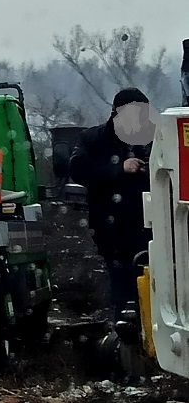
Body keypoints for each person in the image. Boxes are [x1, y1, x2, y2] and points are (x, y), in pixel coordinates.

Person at [69, 87, 156, 321]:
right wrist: (119, 169)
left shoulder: (159, 137)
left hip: (158, 231)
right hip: (114, 232)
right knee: (124, 289)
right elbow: (78, 169)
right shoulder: (95, 139)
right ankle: (128, 325)